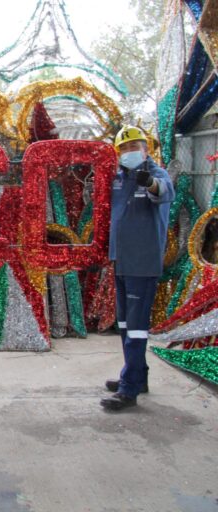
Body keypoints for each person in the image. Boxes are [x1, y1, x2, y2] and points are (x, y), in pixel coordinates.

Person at [102, 126, 175, 411]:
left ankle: (128, 389)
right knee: (124, 325)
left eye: (135, 147)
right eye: (125, 149)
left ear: (146, 149)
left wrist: (150, 184)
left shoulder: (156, 175)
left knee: (136, 329)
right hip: (121, 261)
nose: (130, 153)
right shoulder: (120, 178)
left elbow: (164, 191)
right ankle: (137, 376)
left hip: (142, 265)